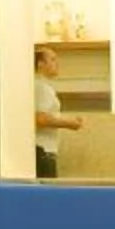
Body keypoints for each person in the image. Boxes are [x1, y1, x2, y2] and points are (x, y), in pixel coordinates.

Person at [33, 43, 83, 180]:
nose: (57, 63)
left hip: (42, 150)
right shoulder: (42, 88)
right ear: (40, 64)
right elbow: (40, 118)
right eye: (53, 59)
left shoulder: (37, 86)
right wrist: (69, 123)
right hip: (43, 151)